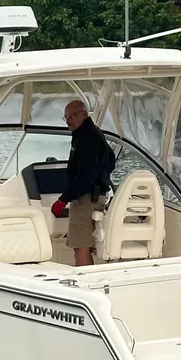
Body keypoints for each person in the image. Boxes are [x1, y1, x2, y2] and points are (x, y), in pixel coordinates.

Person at [51, 100, 116, 266]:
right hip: (98, 195)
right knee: (85, 245)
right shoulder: (95, 134)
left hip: (85, 199)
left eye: (71, 116)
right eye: (65, 118)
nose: (68, 121)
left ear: (83, 114)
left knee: (80, 246)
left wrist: (63, 199)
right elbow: (111, 161)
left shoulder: (86, 138)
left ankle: (82, 281)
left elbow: (85, 176)